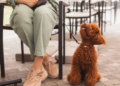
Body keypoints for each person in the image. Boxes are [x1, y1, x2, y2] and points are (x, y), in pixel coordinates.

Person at [6, 0, 60, 86]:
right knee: (20, 18)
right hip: (23, 3)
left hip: (47, 3)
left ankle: (37, 67)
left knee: (42, 13)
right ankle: (45, 56)